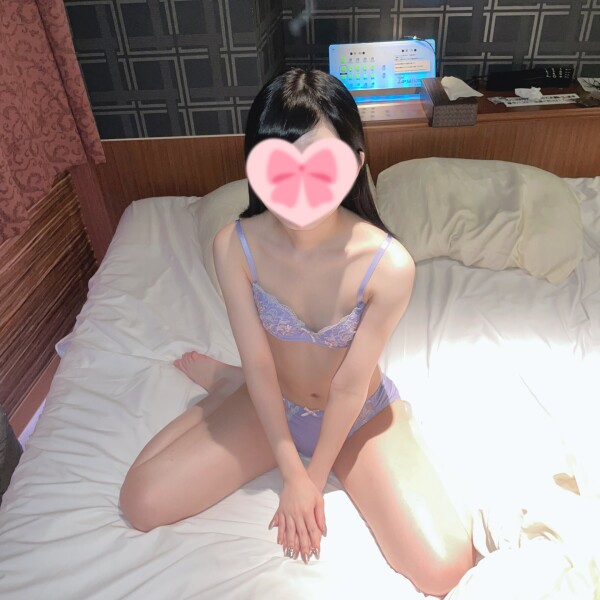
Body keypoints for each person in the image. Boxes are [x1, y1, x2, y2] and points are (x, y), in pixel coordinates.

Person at [119, 67, 475, 597]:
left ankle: (235, 386)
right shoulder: (234, 246)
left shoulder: (389, 265)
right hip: (272, 401)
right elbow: (262, 364)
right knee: (140, 503)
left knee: (447, 570)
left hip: (357, 415)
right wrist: (290, 468)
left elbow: (349, 386)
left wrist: (312, 479)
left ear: (355, 165)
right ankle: (227, 384)